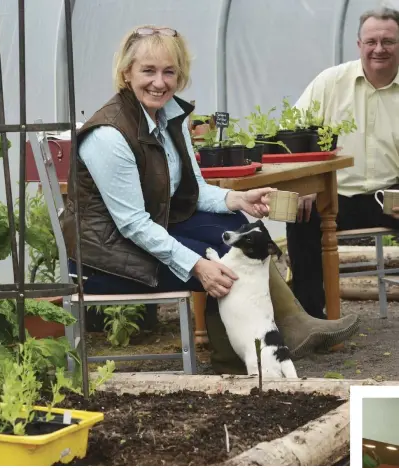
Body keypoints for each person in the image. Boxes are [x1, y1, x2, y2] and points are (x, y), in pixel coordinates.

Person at [61, 25, 359, 373]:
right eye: (148, 71)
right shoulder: (109, 136)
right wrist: (195, 264)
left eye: (169, 71)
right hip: (104, 257)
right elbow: (132, 224)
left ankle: (269, 338)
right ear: (126, 73)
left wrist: (238, 198)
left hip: (141, 235)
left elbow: (194, 189)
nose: (160, 82)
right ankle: (246, 357)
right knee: (226, 265)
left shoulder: (167, 115)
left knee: (236, 227)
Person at [288, 6, 399, 319]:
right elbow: (292, 135)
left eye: (388, 41)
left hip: (389, 195)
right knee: (300, 215)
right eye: (372, 41)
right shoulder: (330, 83)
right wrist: (305, 182)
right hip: (332, 195)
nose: (380, 49)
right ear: (359, 45)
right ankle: (311, 321)